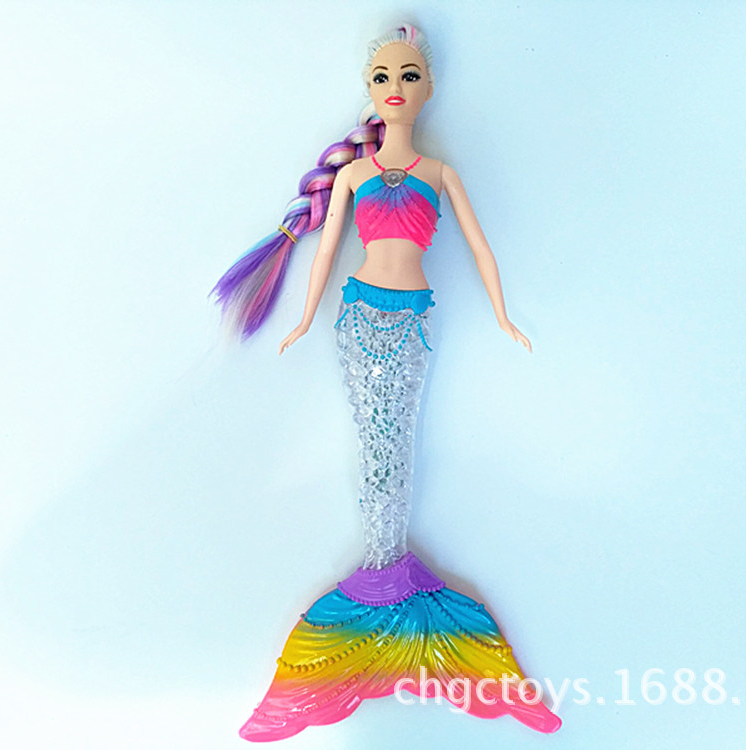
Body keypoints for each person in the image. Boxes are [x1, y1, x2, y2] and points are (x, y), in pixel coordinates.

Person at [214, 24, 561, 741]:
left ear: (428, 89)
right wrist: (304, 318)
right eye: (382, 77)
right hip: (359, 318)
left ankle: (383, 596)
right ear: (369, 91)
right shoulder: (351, 176)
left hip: (412, 322)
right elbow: (325, 252)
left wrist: (503, 314)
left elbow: (481, 248)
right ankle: (382, 597)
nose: (395, 87)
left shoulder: (439, 174)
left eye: (407, 76)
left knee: (395, 450)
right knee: (378, 449)